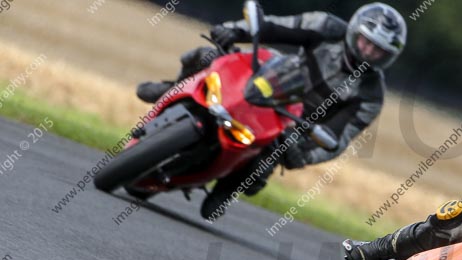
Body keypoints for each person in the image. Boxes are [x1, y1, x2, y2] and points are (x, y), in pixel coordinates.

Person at [137, 3, 406, 219]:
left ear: (388, 57)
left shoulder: (371, 95)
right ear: (355, 32)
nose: (368, 51)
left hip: (291, 125)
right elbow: (275, 26)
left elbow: (338, 138)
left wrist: (303, 155)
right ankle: (171, 89)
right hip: (273, 80)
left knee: (263, 165)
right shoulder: (326, 26)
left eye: (378, 51)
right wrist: (235, 31)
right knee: (207, 56)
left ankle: (227, 187)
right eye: (366, 42)